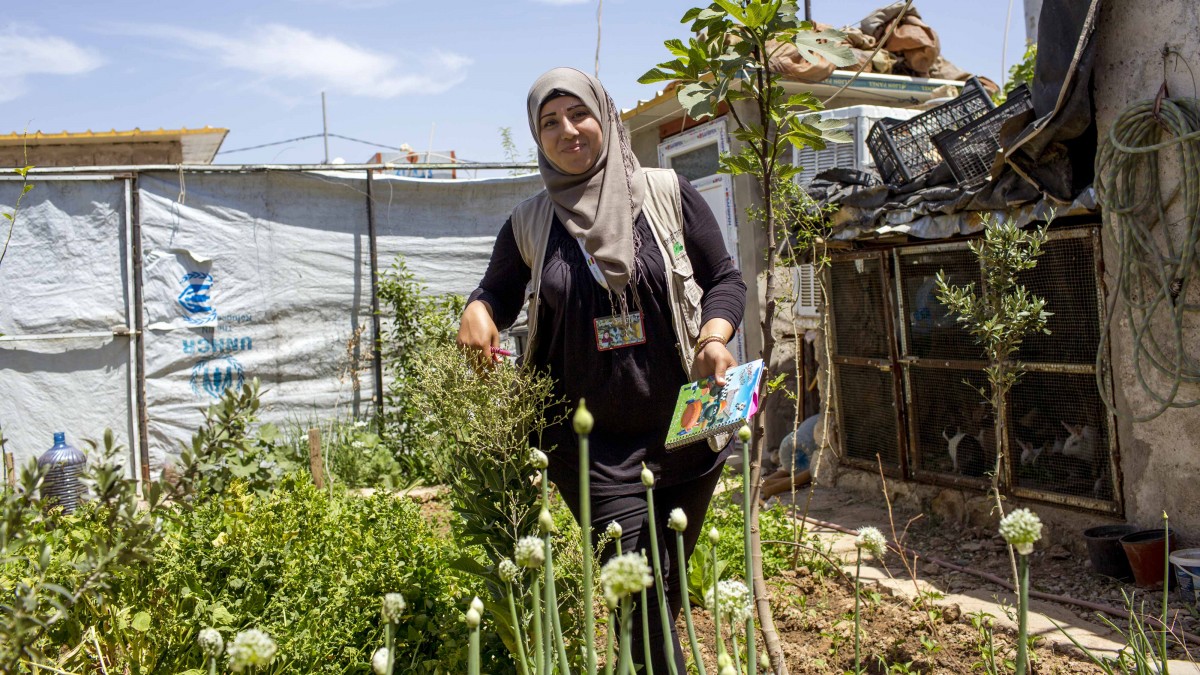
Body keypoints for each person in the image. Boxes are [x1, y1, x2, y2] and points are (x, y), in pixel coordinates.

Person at [457, 66, 747, 672]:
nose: (567, 130)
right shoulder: (531, 223)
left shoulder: (667, 194)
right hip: (588, 449)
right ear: (537, 138)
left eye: (578, 113)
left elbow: (725, 279)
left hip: (686, 430)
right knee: (637, 599)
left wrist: (716, 336)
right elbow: (495, 293)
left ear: (605, 117)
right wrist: (476, 311)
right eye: (548, 122)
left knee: (665, 589)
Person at [760, 413, 822, 503]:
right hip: (802, 445)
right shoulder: (819, 419)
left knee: (793, 470)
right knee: (808, 472)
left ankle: (767, 485)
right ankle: (769, 487)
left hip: (791, 443)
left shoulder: (816, 420)